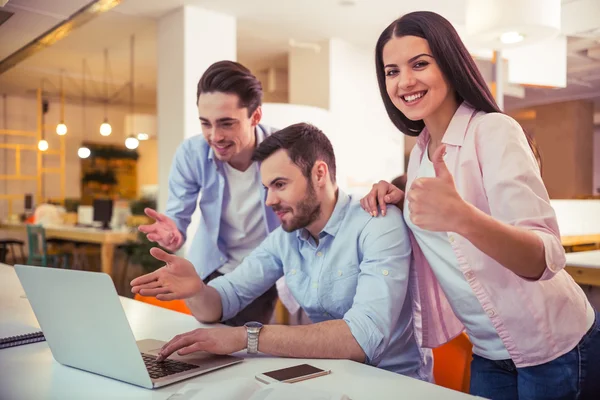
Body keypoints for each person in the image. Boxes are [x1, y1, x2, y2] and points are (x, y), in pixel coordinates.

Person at [360, 11, 600, 400]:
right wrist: (406, 202)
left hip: (552, 346)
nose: (404, 81)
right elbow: (445, 234)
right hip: (488, 348)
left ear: (450, 64)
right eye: (391, 71)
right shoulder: (420, 153)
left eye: (419, 64)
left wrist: (461, 217)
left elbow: (545, 257)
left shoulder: (493, 131)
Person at [131, 123, 432, 380]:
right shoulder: (286, 238)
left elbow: (361, 338)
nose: (269, 201)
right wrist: (196, 289)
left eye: (280, 185)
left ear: (319, 173)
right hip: (331, 377)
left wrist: (244, 337)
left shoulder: (378, 223)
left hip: (393, 385)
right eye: (266, 188)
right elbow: (222, 301)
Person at [135, 61, 281, 326]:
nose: (215, 136)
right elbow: (176, 221)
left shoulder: (284, 151)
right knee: (201, 342)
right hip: (211, 266)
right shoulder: (192, 153)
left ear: (255, 116)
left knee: (243, 349)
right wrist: (172, 235)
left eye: (227, 124)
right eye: (206, 124)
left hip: (263, 270)